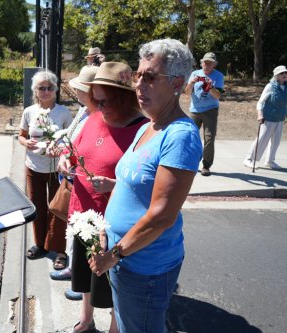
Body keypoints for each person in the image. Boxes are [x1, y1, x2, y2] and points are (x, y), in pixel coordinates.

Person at [88, 39, 202, 333]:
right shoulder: (147, 126)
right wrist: (105, 231)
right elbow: (132, 183)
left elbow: (162, 215)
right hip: (122, 256)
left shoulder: (180, 136)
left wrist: (113, 255)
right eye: (138, 76)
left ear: (177, 83)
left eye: (150, 77)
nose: (139, 84)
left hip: (144, 268)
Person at [59, 62, 148, 333]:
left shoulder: (142, 129)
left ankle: (114, 327)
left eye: (103, 101)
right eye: (94, 99)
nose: (97, 106)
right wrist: (65, 159)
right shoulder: (95, 117)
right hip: (83, 212)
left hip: (112, 221)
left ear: (123, 97)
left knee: (111, 282)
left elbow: (146, 181)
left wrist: (113, 185)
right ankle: (86, 320)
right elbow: (75, 150)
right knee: (85, 275)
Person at [49, 65, 99, 302]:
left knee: (86, 233)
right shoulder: (84, 111)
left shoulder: (98, 115)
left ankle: (84, 283)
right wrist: (61, 151)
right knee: (73, 229)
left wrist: (68, 154)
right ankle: (73, 269)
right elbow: (70, 135)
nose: (76, 92)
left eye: (80, 88)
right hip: (73, 179)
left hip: (85, 182)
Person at [18, 70, 73, 270]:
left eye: (50, 88)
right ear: (35, 90)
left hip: (57, 167)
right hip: (34, 166)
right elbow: (21, 135)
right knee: (37, 206)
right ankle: (40, 244)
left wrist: (59, 148)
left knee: (57, 208)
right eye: (42, 88)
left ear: (56, 90)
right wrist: (27, 143)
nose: (46, 91)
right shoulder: (29, 112)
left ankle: (59, 249)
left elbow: (70, 139)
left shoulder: (63, 113)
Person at [184, 51, 224, 176]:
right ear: (201, 63)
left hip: (210, 110)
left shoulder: (218, 76)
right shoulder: (195, 74)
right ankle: (190, 163)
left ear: (214, 65)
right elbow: (187, 92)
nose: (207, 65)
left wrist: (211, 86)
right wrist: (192, 82)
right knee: (191, 137)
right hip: (195, 110)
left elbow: (217, 96)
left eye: (210, 63)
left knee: (209, 138)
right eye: (205, 63)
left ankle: (206, 166)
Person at [244, 65, 287, 170]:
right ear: (276, 75)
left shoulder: (286, 87)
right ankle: (249, 159)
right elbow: (260, 102)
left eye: (285, 73)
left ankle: (270, 161)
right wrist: (260, 114)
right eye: (282, 73)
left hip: (280, 118)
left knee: (276, 142)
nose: (284, 75)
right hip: (268, 117)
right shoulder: (270, 86)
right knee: (262, 140)